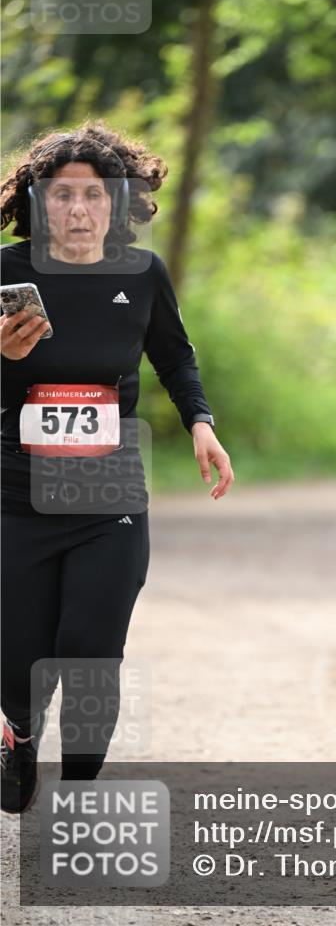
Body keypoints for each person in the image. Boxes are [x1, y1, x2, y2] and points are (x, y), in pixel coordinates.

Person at [0, 123, 234, 813]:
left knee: (91, 645)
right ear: (37, 203)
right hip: (16, 495)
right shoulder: (5, 273)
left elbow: (175, 356)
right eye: (62, 195)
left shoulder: (142, 273)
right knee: (19, 658)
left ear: (119, 202)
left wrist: (201, 424)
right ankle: (16, 730)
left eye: (93, 196)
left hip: (109, 492)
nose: (77, 210)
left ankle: (80, 795)